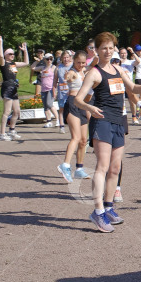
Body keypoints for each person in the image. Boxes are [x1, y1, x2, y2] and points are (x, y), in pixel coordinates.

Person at [74, 32, 141, 233]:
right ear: (97, 50)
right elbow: (78, 99)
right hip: (102, 122)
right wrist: (90, 108)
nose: (107, 51)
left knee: (115, 168)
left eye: (110, 47)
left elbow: (133, 88)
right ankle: (98, 212)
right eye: (103, 48)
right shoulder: (94, 73)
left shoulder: (118, 69)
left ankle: (108, 207)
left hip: (118, 121)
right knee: (102, 167)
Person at [57, 50, 91, 183]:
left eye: (83, 63)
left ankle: (79, 169)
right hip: (72, 104)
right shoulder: (72, 72)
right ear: (73, 61)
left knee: (83, 140)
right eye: (78, 62)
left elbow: (94, 63)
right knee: (76, 137)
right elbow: (69, 77)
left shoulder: (84, 71)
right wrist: (68, 77)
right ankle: (65, 165)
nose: (81, 65)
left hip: (82, 105)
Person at [0, 35, 29, 141]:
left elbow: (26, 63)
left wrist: (25, 51)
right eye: (10, 54)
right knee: (7, 111)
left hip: (14, 88)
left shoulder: (14, 64)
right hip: (7, 87)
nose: (12, 55)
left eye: (13, 54)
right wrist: (1, 42)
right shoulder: (4, 63)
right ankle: (2, 134)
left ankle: (12, 130)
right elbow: (0, 56)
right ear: (6, 55)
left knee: (17, 111)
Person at [54, 51, 73, 133]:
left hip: (71, 91)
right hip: (61, 91)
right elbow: (55, 81)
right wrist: (54, 91)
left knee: (72, 109)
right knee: (61, 108)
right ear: (61, 58)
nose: (66, 59)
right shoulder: (58, 67)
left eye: (67, 57)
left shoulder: (73, 66)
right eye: (64, 57)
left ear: (70, 57)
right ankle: (61, 126)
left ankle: (72, 125)